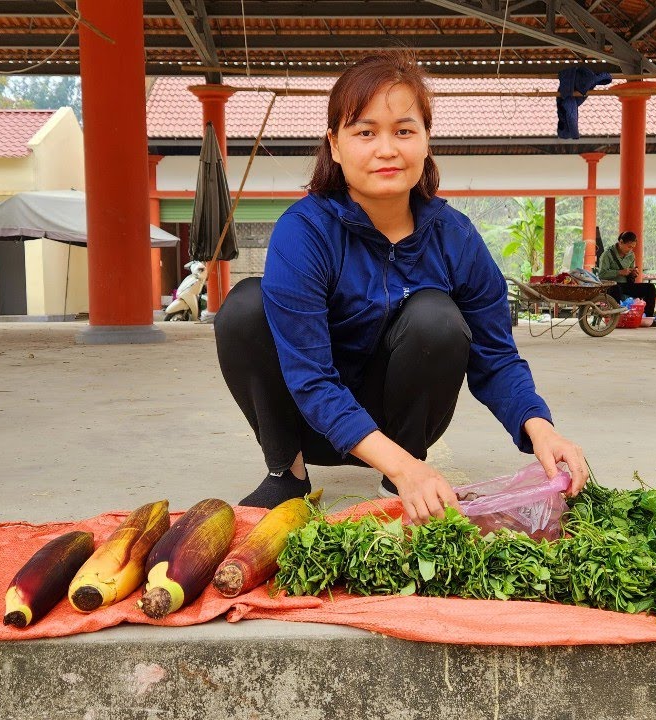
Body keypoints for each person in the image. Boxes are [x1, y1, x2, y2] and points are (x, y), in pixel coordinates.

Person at [214, 50, 588, 525]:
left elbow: (495, 356)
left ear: (427, 139)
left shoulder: (456, 237)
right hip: (308, 420)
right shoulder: (304, 231)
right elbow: (310, 377)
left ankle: (403, 474)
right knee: (246, 304)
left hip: (401, 426)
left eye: (404, 131)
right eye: (365, 132)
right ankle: (286, 474)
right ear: (334, 144)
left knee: (436, 315)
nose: (386, 149)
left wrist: (542, 430)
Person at [594, 231, 656, 317]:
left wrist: (633, 273)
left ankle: (648, 317)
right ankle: (616, 317)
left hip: (626, 285)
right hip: (610, 286)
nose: (630, 249)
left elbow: (631, 271)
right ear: (621, 242)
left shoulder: (631, 255)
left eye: (632, 247)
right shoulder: (607, 254)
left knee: (650, 288)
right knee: (616, 289)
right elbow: (601, 274)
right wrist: (619, 272)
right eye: (629, 246)